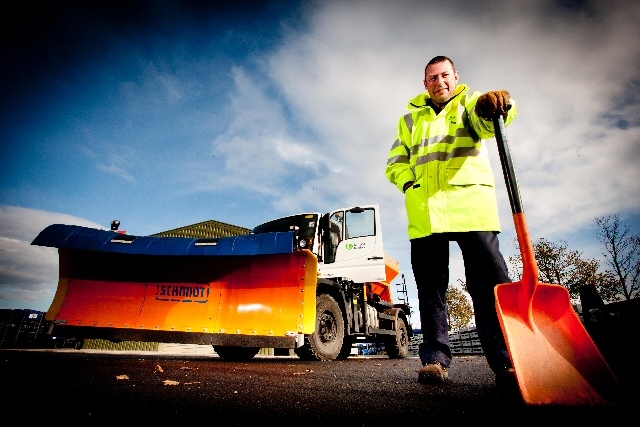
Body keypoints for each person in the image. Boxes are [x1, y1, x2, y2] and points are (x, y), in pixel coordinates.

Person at [385, 55, 517, 389]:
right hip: (426, 210)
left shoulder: (471, 103)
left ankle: (506, 361)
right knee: (430, 290)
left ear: (456, 76)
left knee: (490, 283)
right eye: (432, 77)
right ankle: (435, 360)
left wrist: (500, 105)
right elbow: (395, 162)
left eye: (445, 75)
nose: (439, 81)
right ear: (424, 83)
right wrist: (408, 183)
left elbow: (490, 122)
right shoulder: (409, 120)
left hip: (470, 206)